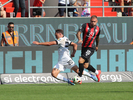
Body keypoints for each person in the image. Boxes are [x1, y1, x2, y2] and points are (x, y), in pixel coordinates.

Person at [33, 29, 98, 85]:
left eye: (56, 35)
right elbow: (74, 44)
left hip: (66, 59)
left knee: (78, 71)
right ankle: (68, 81)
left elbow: (50, 43)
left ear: (60, 34)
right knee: (54, 74)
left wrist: (39, 43)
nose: (56, 37)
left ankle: (91, 75)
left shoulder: (62, 39)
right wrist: (73, 53)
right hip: (61, 61)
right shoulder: (65, 38)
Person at [76, 15, 101, 82]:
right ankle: (97, 72)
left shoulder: (98, 29)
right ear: (90, 21)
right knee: (85, 65)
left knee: (80, 61)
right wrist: (79, 39)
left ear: (97, 21)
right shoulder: (85, 25)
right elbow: (78, 33)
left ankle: (79, 77)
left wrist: (97, 46)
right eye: (92, 21)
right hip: (84, 47)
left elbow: (97, 37)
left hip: (91, 48)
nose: (93, 23)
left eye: (94, 22)